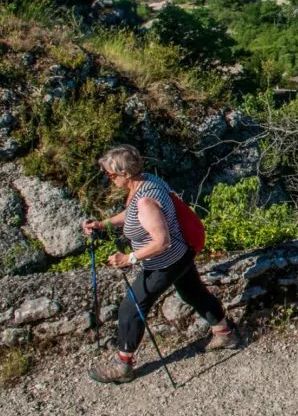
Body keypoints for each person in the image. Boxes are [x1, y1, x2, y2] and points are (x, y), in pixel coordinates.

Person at [83, 145, 240, 385]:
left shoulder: (145, 200)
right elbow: (132, 213)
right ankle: (224, 333)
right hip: (182, 252)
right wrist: (103, 224)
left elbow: (161, 241)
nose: (109, 179)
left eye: (110, 175)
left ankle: (123, 365)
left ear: (125, 173)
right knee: (193, 292)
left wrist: (129, 258)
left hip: (164, 262)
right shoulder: (148, 180)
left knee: (131, 308)